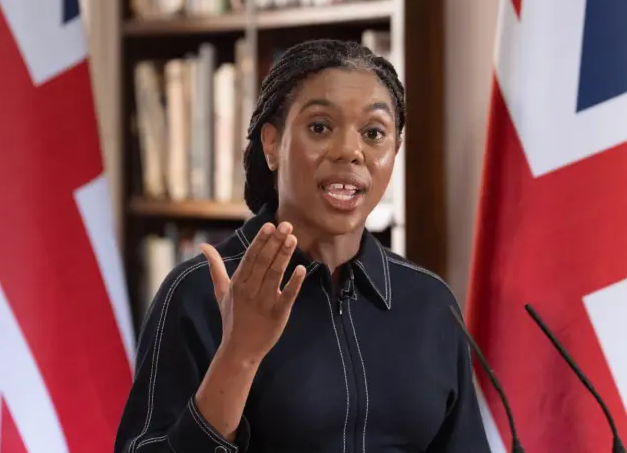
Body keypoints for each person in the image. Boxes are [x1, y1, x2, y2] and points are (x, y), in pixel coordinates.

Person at [114, 39, 491, 453]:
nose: (350, 151)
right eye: (320, 127)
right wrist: (239, 355)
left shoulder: (431, 304)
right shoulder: (197, 293)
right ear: (272, 144)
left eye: (373, 133)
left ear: (395, 150)